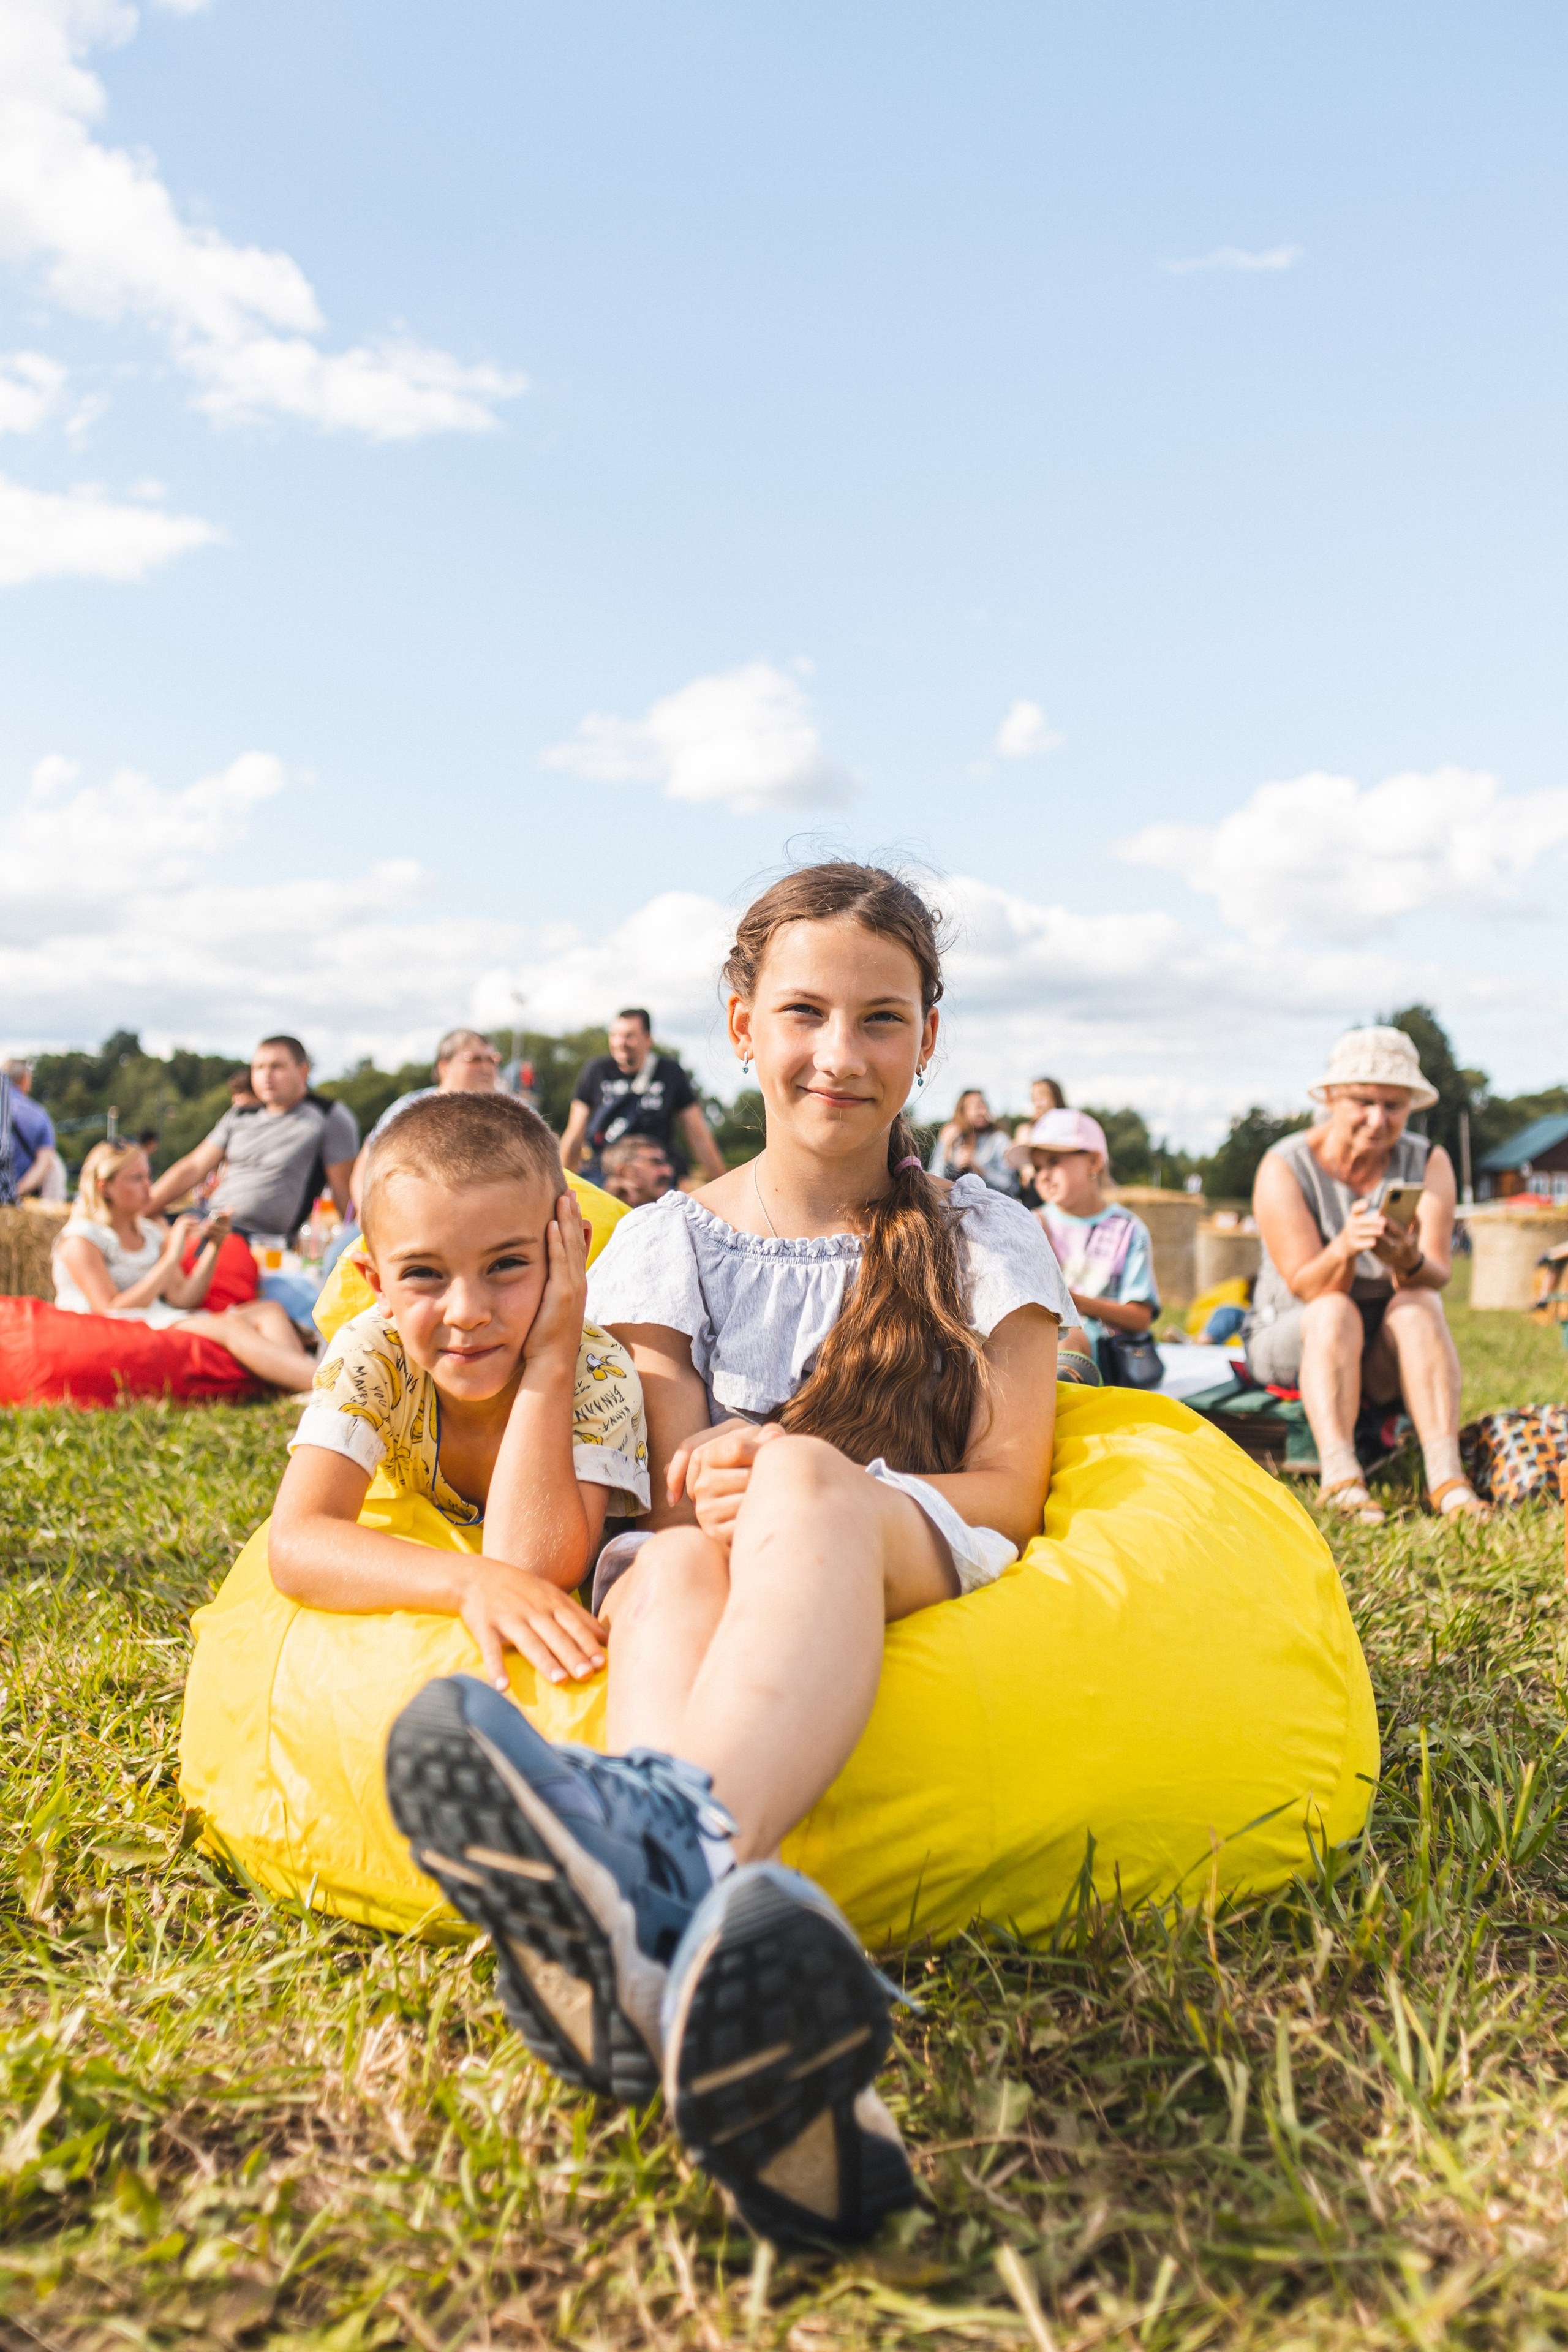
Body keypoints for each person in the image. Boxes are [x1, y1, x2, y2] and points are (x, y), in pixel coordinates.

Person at [383, 862, 1074, 2248]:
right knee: (674, 1565)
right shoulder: (668, 1241)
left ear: (927, 1040)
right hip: (715, 1559)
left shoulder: (983, 1232)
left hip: (901, 1536)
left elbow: (1006, 1486)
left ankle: (656, 1846)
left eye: (881, 1018)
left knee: (804, 1476)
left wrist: (791, 1470)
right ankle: (683, 1967)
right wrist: (713, 1473)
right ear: (739, 1020)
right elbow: (667, 1489)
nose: (838, 1054)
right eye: (804, 1010)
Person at [268, 1091, 648, 1689]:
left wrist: (551, 1361)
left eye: (506, 1265)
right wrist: (468, 1582)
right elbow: (295, 1540)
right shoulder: (377, 1351)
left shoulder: (595, 1371)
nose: (468, 1312)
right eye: (423, 1273)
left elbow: (532, 1571)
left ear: (567, 1251)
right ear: (377, 1283)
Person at [1246, 1025, 1481, 1523]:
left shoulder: (1429, 1160)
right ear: (1331, 1097)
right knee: (1334, 1307)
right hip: (1296, 1333)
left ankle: (1447, 1479)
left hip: (1379, 1345)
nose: (1378, 1119)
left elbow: (1436, 1274)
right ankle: (1341, 1476)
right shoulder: (1284, 1165)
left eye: (1394, 1105)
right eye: (1363, 1101)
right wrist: (1346, 1248)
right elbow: (1307, 1286)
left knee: (1420, 1304)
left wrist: (1406, 1260)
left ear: (1411, 1107)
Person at [51, 1142, 317, 1390]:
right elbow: (110, 1308)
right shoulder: (82, 1239)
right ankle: (326, 1388)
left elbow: (183, 1298)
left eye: (148, 1176)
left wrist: (214, 1246)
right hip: (115, 1328)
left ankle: (296, 1384)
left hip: (157, 1317)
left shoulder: (148, 1232)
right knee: (231, 1326)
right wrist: (172, 1254)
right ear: (104, 1186)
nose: (149, 1186)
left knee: (269, 1311)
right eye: (137, 1178)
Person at [151, 1037, 358, 1242]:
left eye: (277, 1067)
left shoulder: (328, 1116)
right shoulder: (240, 1114)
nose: (267, 1075)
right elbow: (193, 1167)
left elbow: (346, 1199)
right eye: (258, 1068)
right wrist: (142, 1210)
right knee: (141, 1232)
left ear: (303, 1071)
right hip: (208, 1221)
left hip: (258, 1238)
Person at [1005, 1109, 1159, 1376]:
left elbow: (1140, 1318)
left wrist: (1074, 1303)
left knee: (1071, 1336)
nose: (1043, 1175)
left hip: (1107, 1354)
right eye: (1038, 1167)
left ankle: (1063, 1383)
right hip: (1033, 1341)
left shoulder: (1128, 1230)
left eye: (1054, 1162)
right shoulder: (1029, 1224)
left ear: (1094, 1162)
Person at [561, 1010, 725, 1186]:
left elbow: (698, 1134)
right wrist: (562, 1186)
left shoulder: (670, 1072)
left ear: (648, 1039)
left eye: (629, 1036)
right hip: (607, 1171)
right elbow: (575, 1134)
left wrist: (723, 1186)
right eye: (615, 1035)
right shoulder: (597, 1070)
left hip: (654, 1175)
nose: (620, 1042)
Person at [928, 1087, 1017, 1194]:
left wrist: (978, 1169)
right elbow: (933, 1181)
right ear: (963, 1110)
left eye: (984, 1105)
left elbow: (1010, 1186)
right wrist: (947, 1152)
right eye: (977, 1107)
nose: (983, 1111)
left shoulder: (999, 1140)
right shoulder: (952, 1137)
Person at [0, 1059, 59, 1205]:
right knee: (57, 1164)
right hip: (16, 1198)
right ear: (25, 1079)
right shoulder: (37, 1114)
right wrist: (16, 1191)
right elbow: (45, 1162)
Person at [1013, 1077, 1066, 1207]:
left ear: (1055, 1097)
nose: (1037, 1103)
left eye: (1041, 1097)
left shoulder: (1068, 1125)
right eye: (1033, 1099)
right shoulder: (1026, 1130)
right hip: (1035, 1193)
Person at [598, 1134, 676, 1208]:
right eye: (656, 1163)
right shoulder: (593, 1216)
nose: (668, 1172)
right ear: (624, 1172)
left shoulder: (679, 1211)